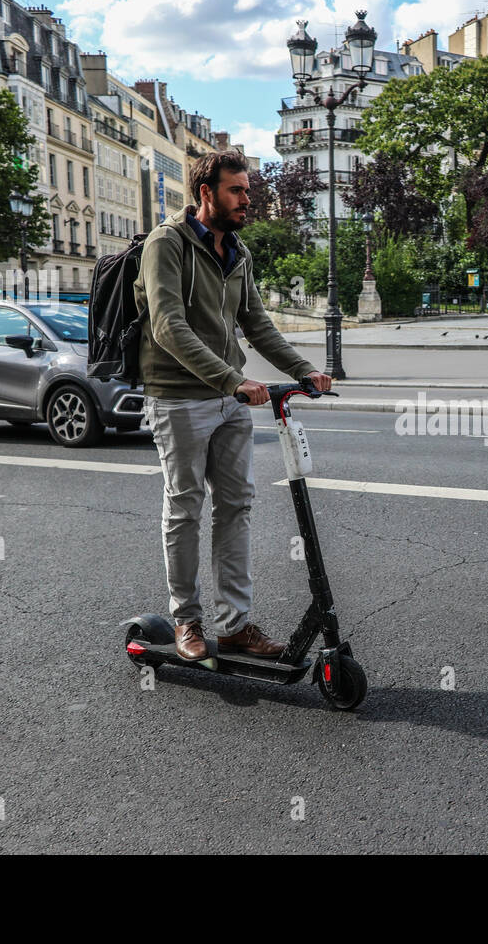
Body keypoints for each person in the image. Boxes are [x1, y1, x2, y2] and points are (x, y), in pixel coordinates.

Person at [134, 149, 330, 661]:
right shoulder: (166, 243)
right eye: (237, 190)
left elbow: (257, 323)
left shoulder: (237, 251)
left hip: (228, 399)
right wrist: (232, 380)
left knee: (236, 508)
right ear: (206, 193)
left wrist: (302, 371)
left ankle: (236, 624)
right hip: (179, 398)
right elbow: (167, 326)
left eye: (248, 189)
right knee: (185, 508)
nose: (248, 199)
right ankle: (187, 622)